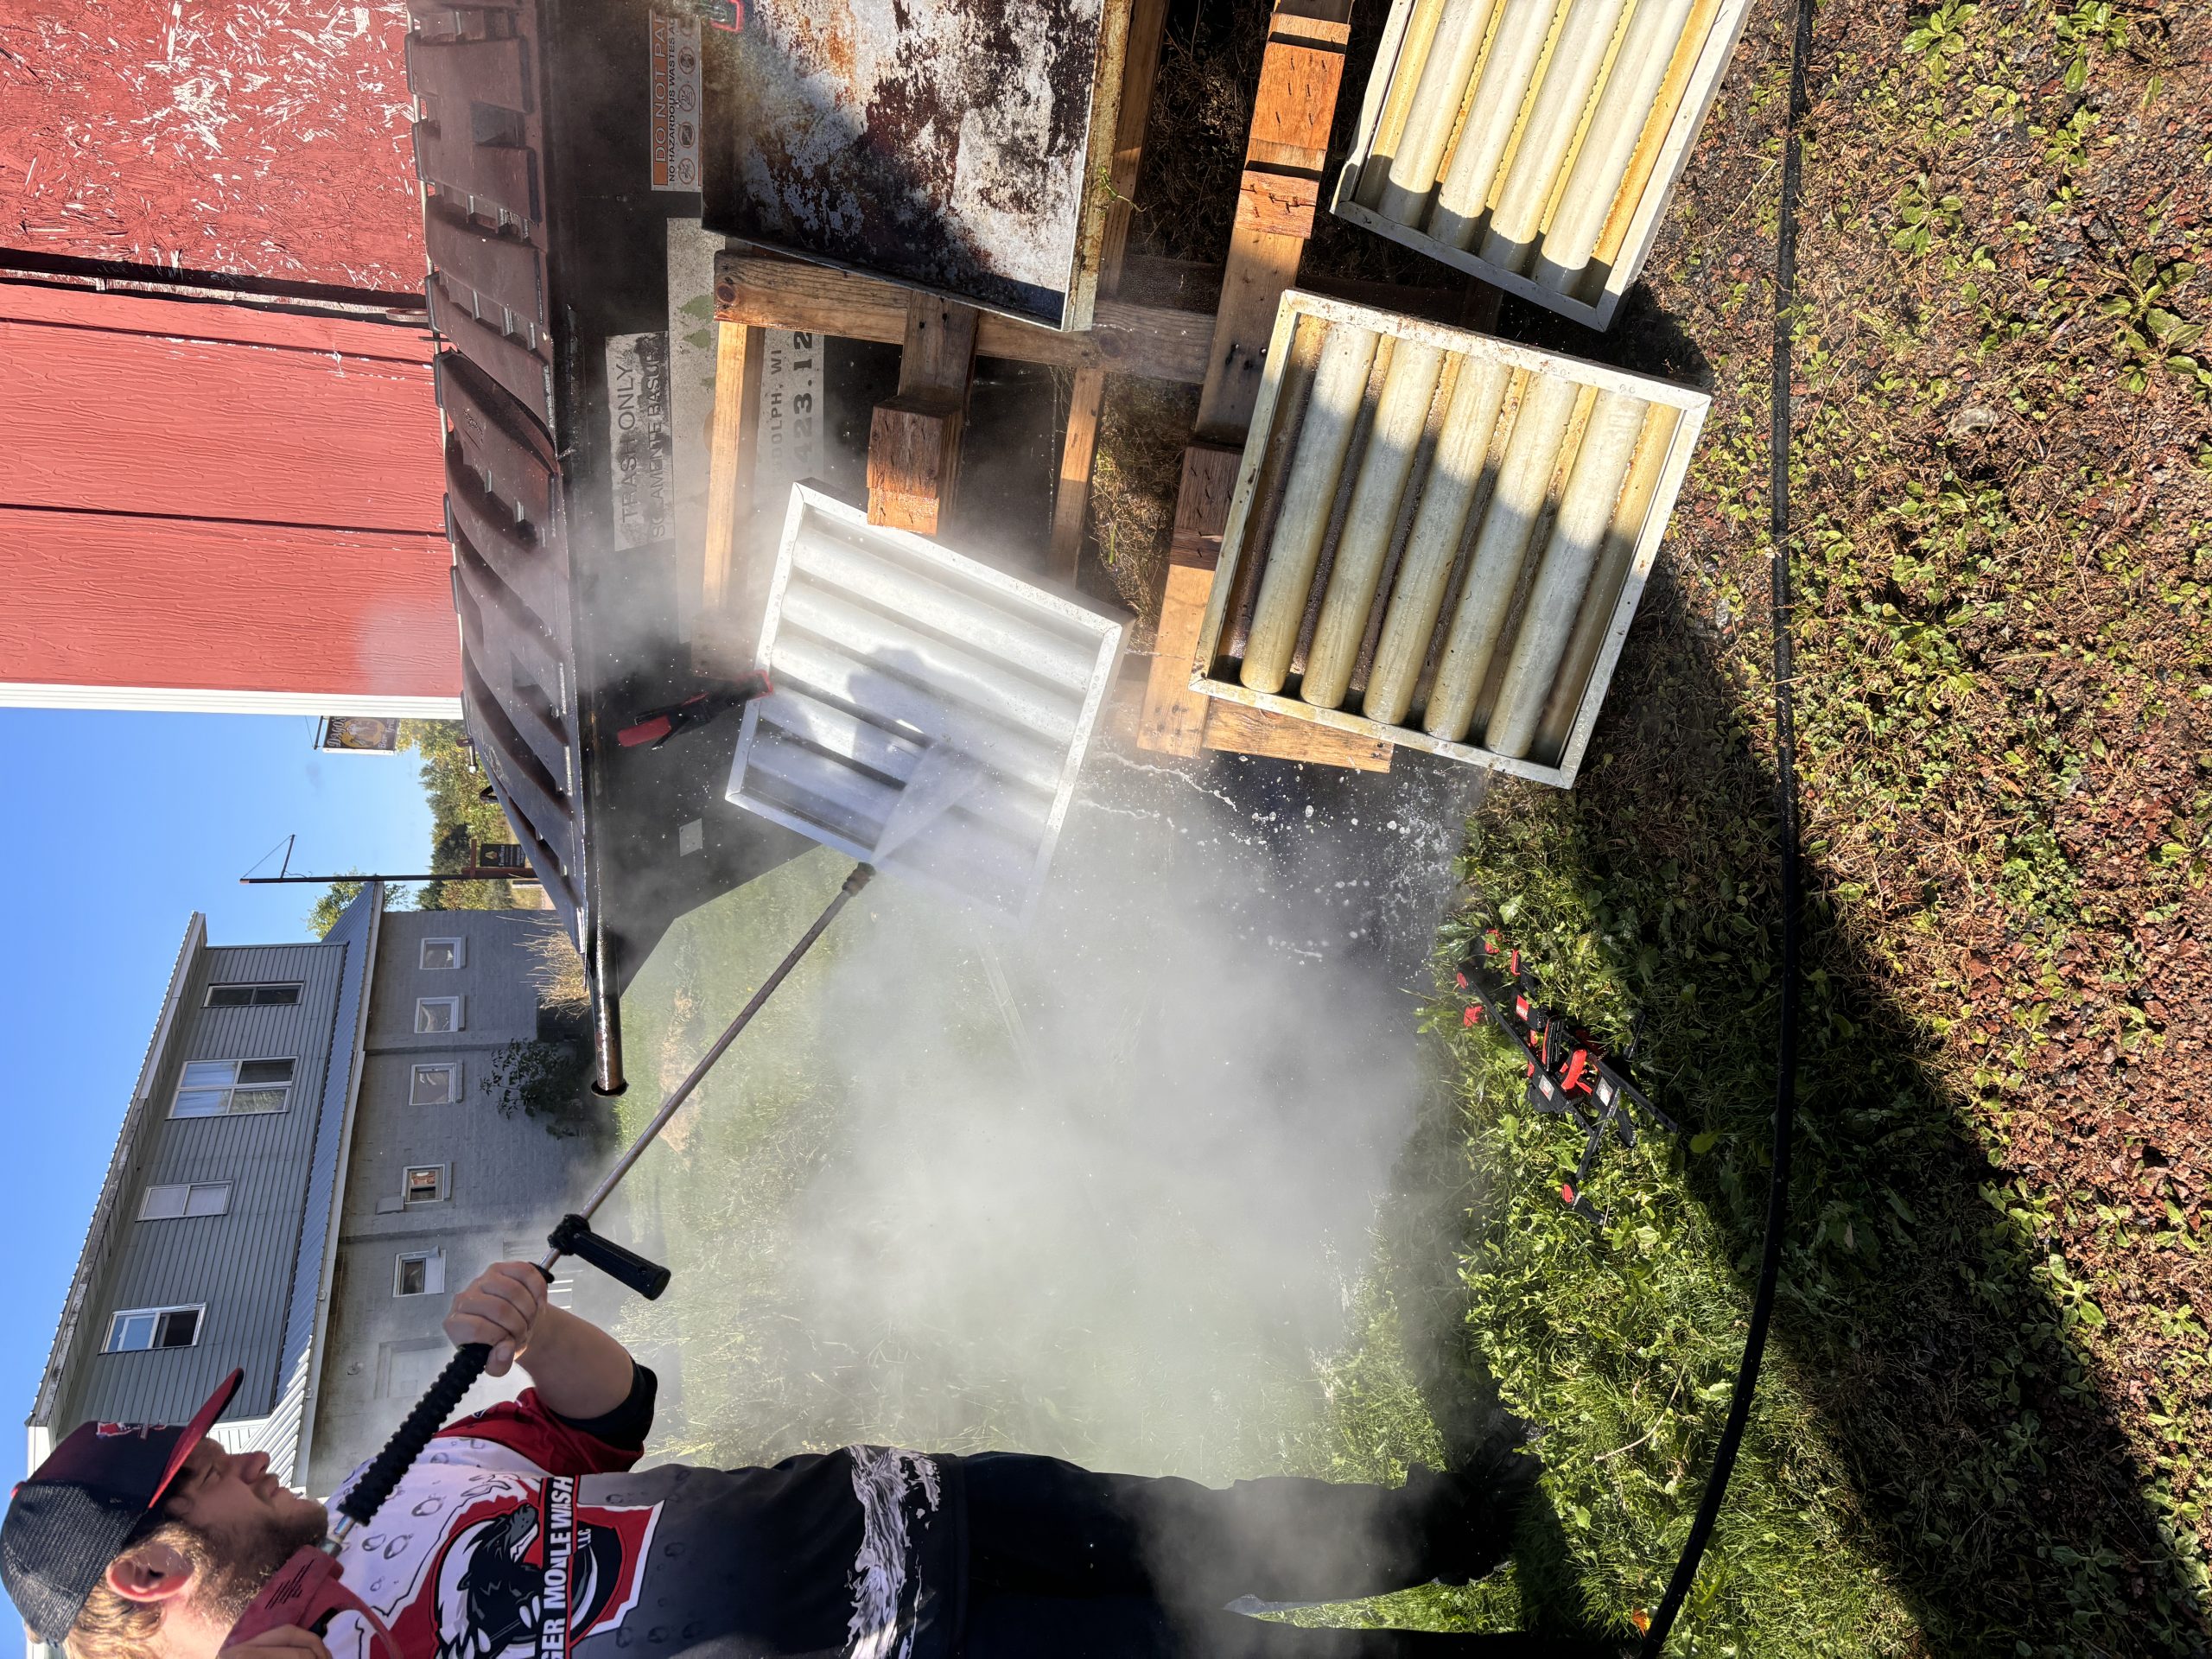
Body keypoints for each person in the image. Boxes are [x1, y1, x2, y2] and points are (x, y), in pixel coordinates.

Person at [3, 1263, 1602, 1659]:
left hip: (914, 1500)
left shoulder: (381, 1503)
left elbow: (613, 1410)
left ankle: (1444, 1525)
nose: (254, 1454)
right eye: (211, 1468)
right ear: (147, 1568)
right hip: (923, 1652)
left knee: (1199, 1530)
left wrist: (530, 1323)